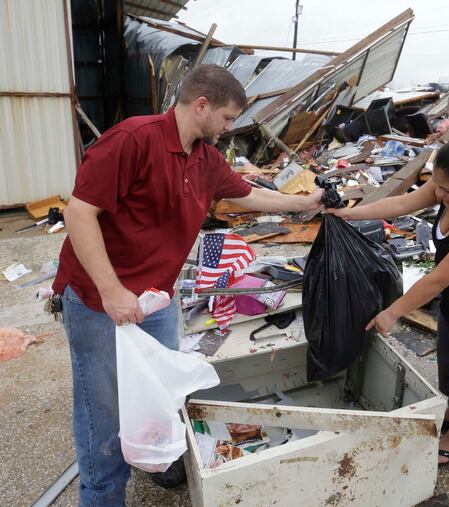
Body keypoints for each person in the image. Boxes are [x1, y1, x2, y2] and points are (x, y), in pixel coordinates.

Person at [52, 65, 324, 505]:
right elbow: (79, 213)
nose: (231, 127)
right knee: (101, 411)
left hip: (156, 299)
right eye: (228, 117)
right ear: (202, 106)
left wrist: (303, 203)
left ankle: (151, 456)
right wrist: (111, 290)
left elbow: (247, 195)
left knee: (160, 389)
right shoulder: (132, 141)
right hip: (97, 299)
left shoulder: (205, 158)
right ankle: (102, 495)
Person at [327, 136, 449, 465]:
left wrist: (393, 312)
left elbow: (437, 279)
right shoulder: (447, 185)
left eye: (447, 191)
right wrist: (349, 214)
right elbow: (401, 205)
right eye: (436, 184)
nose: (438, 194)